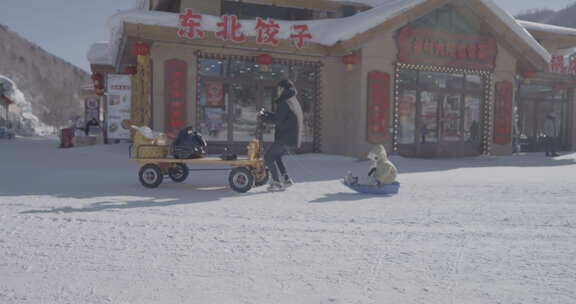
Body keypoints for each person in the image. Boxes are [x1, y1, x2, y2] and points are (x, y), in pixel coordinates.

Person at [259, 79, 304, 191]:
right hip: (291, 138)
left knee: (268, 157)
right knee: (277, 156)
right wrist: (266, 114)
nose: (278, 91)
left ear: (284, 89)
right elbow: (281, 117)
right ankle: (286, 179)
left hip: (285, 137)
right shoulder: (292, 100)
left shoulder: (285, 102)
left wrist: (263, 117)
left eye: (279, 88)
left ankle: (276, 182)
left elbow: (278, 120)